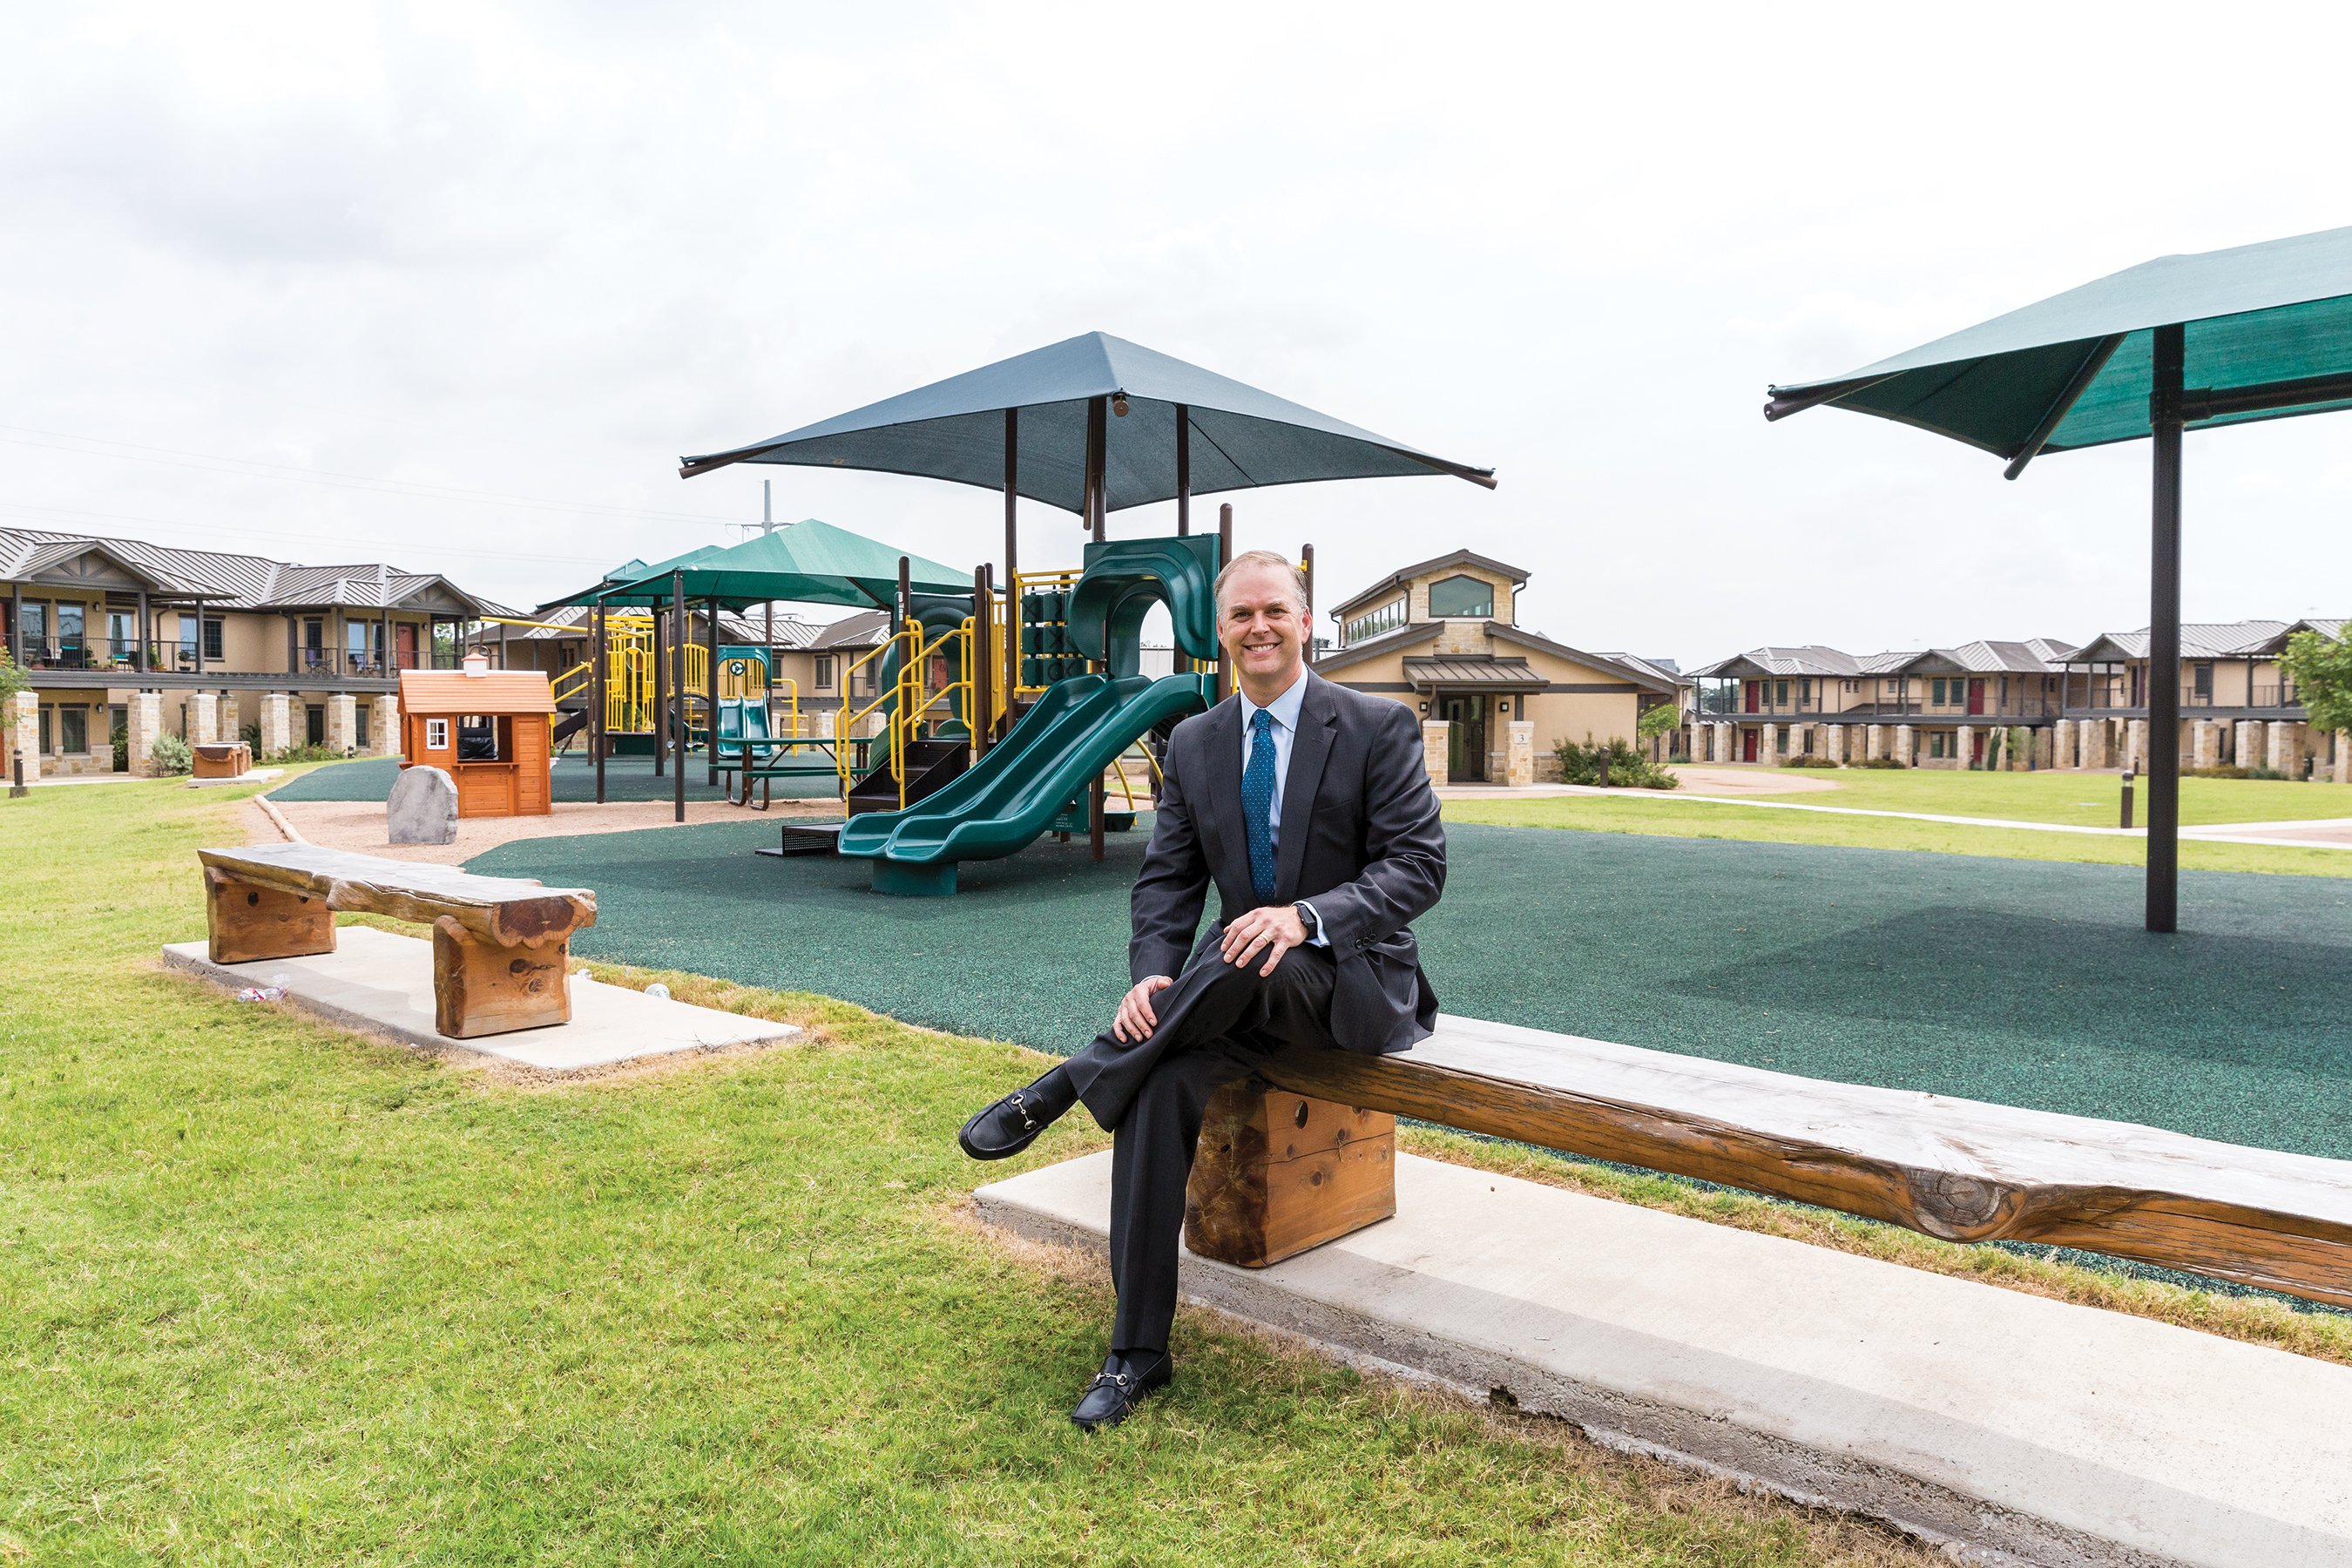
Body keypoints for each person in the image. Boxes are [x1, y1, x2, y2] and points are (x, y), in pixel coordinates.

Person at [957, 548, 1446, 1429]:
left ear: (1306, 621)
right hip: (1230, 993)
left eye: (1275, 612)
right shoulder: (1193, 740)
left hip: (1350, 984)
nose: (1259, 627)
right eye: (1240, 615)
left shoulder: (1376, 725)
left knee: (1246, 946)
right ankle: (1136, 1353)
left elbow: (1417, 870)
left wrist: (1304, 916)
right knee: (1157, 1087)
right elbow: (1168, 878)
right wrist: (1152, 970)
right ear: (1218, 634)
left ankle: (1071, 1080)